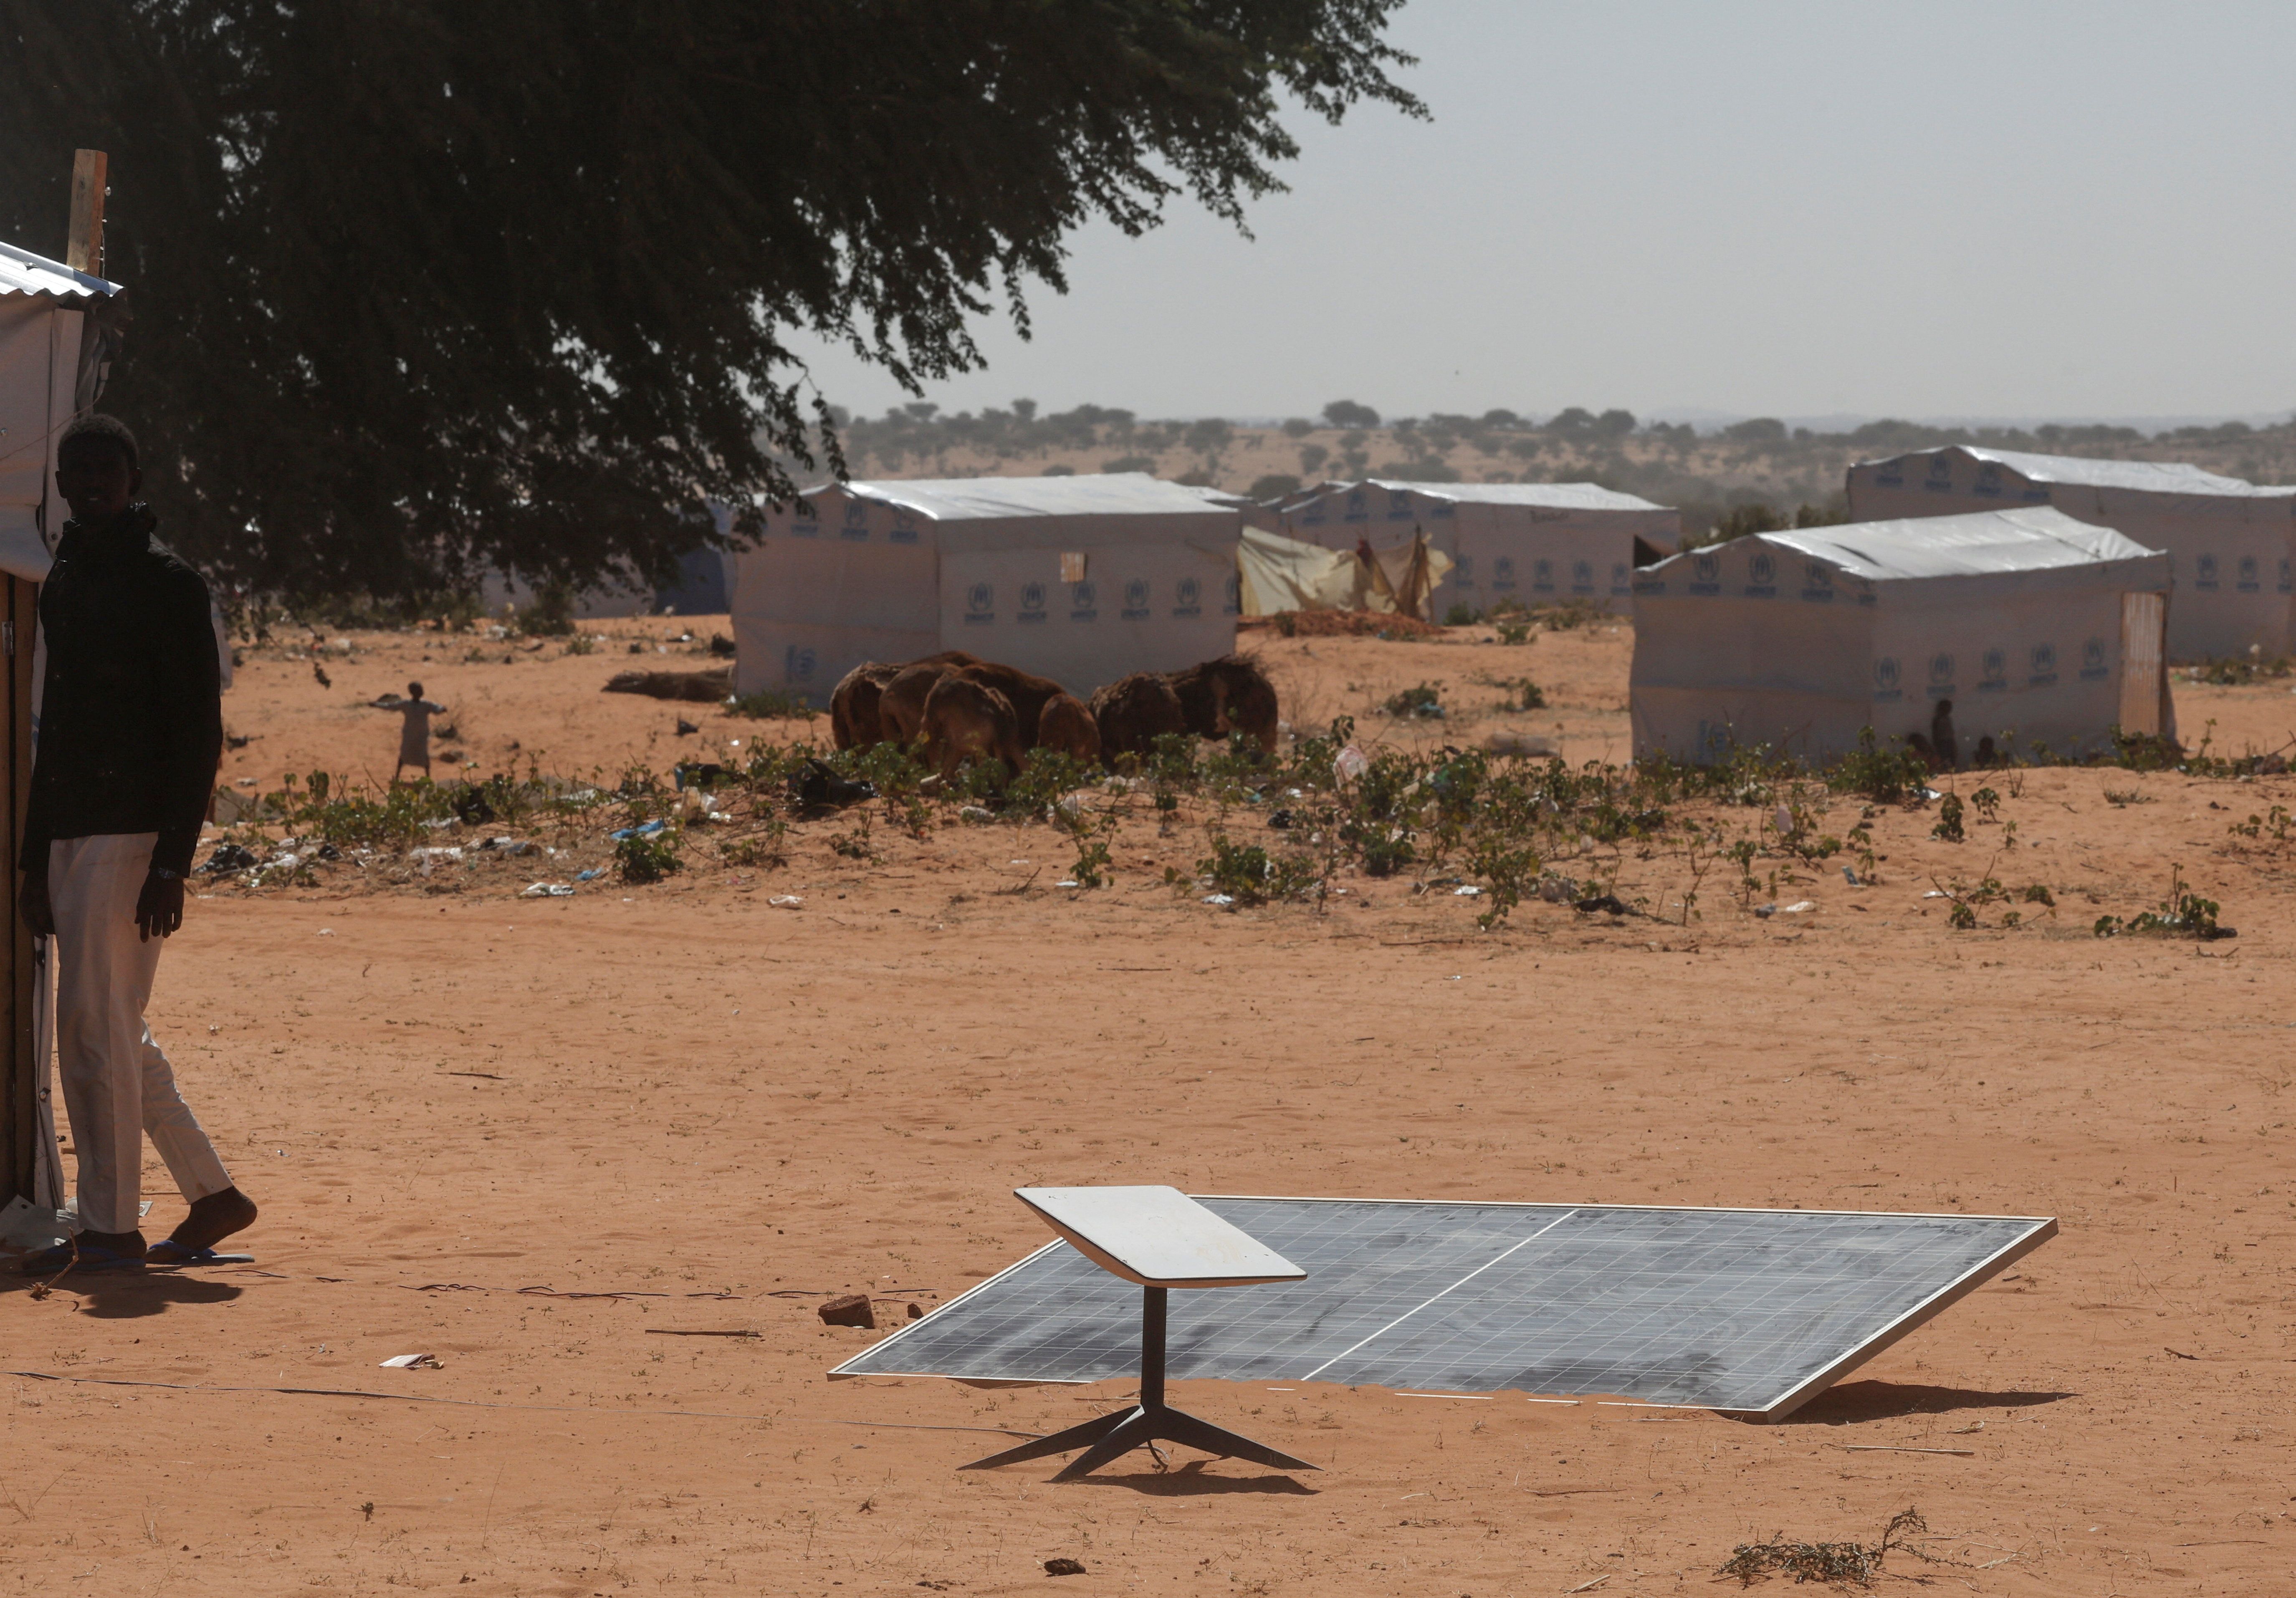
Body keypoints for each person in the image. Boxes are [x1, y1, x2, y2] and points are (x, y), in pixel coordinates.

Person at [18, 414, 254, 1272]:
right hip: (71, 826)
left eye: (105, 467)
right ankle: (212, 1193)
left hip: (134, 835)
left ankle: (110, 1228)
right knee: (112, 1025)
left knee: (89, 1029)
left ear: (133, 476)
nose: (90, 480)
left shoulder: (169, 585)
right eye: (76, 468)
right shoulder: (67, 577)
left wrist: (171, 864)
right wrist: (31, 861)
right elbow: (60, 725)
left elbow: (198, 732)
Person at [375, 682, 448, 782]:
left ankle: (428, 778)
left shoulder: (426, 704)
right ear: (412, 692)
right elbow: (391, 706)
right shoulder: (406, 704)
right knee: (404, 754)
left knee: (424, 756)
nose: (421, 692)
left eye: (421, 690)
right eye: (418, 690)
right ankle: (397, 777)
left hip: (422, 735)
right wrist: (377, 705)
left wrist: (442, 709)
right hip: (409, 734)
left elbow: (437, 708)